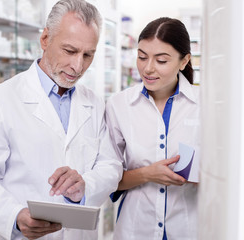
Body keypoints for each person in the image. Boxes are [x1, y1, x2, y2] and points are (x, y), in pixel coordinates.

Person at [0, 0, 123, 239]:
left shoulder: (94, 102)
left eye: (88, 55)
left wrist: (84, 186)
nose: (78, 66)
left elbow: (111, 166)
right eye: (70, 51)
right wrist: (15, 216)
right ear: (45, 39)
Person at [105, 17, 200, 240]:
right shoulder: (119, 105)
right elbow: (106, 178)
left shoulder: (205, 105)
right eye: (142, 57)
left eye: (161, 61)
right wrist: (147, 174)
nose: (148, 68)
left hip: (188, 229)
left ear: (184, 61)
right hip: (135, 229)